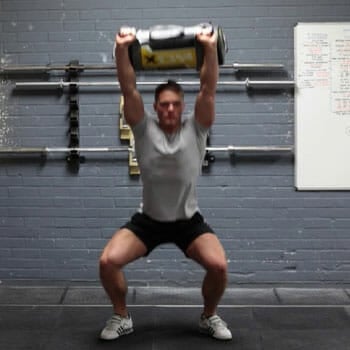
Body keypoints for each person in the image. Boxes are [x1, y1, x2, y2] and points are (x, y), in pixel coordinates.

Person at [99, 25, 232, 341]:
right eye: (164, 104)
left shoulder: (197, 129)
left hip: (188, 221)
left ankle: (208, 317)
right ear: (156, 108)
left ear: (182, 106)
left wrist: (209, 48)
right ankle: (121, 316)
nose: (170, 108)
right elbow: (128, 87)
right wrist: (121, 49)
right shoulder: (143, 129)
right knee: (108, 262)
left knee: (219, 267)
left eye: (175, 104)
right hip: (149, 221)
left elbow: (208, 89)